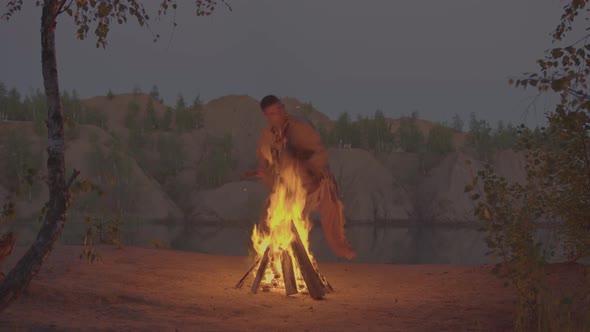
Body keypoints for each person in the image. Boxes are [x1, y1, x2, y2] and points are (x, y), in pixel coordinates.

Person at [245, 95, 356, 260]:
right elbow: (267, 166)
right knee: (270, 215)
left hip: (315, 186)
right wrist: (265, 174)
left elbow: (319, 153)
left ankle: (341, 247)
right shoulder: (266, 138)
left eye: (278, 110)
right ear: (266, 116)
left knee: (331, 208)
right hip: (288, 191)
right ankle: (272, 256)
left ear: (283, 108)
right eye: (271, 113)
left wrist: (306, 168)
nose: (277, 115)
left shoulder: (300, 129)